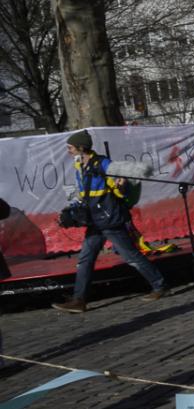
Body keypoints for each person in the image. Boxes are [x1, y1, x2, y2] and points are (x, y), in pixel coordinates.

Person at [53, 130, 169, 313]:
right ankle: (79, 300)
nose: (68, 151)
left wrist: (121, 185)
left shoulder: (103, 163)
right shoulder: (79, 165)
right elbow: (84, 192)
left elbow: (120, 186)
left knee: (131, 256)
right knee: (85, 259)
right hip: (95, 221)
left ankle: (159, 285)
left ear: (81, 148)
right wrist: (72, 211)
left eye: (70, 147)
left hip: (109, 220)